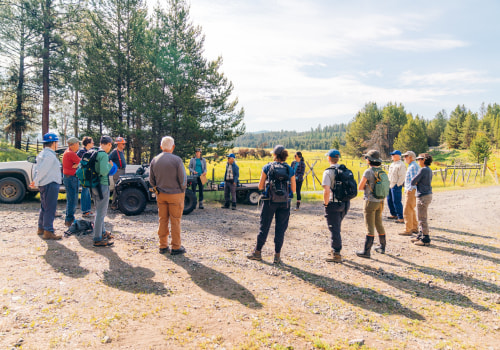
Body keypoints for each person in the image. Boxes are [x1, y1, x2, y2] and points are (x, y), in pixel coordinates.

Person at [247, 145, 296, 265]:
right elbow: (293, 189)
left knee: (264, 227)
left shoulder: (268, 167)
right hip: (284, 202)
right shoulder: (289, 169)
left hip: (269, 200)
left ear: (275, 155)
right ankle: (277, 257)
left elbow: (260, 186)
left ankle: (257, 252)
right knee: (280, 229)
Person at [150, 136, 187, 255]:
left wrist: (156, 188)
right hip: (176, 194)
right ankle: (176, 246)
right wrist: (182, 189)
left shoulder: (155, 160)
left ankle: (163, 245)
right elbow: (183, 179)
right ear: (173, 147)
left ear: (161, 147)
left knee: (162, 219)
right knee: (175, 221)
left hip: (161, 194)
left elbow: (151, 180)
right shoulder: (177, 160)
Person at [321, 149, 350, 263]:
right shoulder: (345, 170)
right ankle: (335, 250)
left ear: (329, 158)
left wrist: (326, 203)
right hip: (345, 203)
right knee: (337, 226)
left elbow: (326, 190)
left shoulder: (328, 172)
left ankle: (336, 253)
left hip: (333, 203)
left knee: (334, 228)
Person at [356, 150, 387, 258]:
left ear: (369, 160)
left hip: (370, 201)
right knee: (379, 223)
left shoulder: (368, 172)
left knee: (369, 226)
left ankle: (366, 251)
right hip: (381, 201)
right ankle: (382, 247)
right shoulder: (381, 171)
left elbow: (360, 187)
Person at [33, 133, 62, 240]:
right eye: (57, 142)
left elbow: (37, 169)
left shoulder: (43, 153)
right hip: (50, 182)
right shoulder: (50, 155)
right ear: (54, 143)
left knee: (44, 206)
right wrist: (36, 181)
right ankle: (48, 231)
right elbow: (43, 170)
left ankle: (41, 227)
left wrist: (36, 180)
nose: (58, 144)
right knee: (50, 207)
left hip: (45, 183)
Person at [92, 135, 115, 247]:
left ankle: (102, 232)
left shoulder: (95, 152)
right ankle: (97, 238)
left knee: (98, 210)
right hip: (102, 185)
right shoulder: (104, 155)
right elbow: (103, 171)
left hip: (94, 185)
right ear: (109, 144)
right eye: (111, 145)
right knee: (101, 213)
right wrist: (110, 166)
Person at [411, 153, 433, 246]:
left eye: (419, 159)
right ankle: (420, 235)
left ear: (424, 160)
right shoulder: (429, 170)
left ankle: (425, 239)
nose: (418, 161)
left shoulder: (423, 170)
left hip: (422, 196)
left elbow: (413, 181)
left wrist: (416, 182)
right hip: (427, 194)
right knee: (421, 216)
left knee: (422, 218)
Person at [62, 137, 82, 227]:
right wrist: (78, 164)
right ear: (74, 144)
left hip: (68, 177)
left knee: (71, 198)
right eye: (78, 144)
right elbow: (82, 162)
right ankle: (69, 219)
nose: (79, 146)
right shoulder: (71, 153)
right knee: (72, 199)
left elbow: (78, 163)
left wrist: (77, 164)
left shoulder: (67, 152)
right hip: (71, 178)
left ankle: (69, 218)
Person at [399, 151, 419, 236]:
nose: (404, 158)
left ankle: (408, 229)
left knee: (407, 210)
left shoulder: (413, 166)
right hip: (412, 190)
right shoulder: (412, 166)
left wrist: (410, 189)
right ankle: (414, 227)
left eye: (406, 156)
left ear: (411, 157)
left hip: (411, 191)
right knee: (411, 209)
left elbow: (415, 180)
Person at [76, 136, 95, 218]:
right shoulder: (81, 152)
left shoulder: (90, 151)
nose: (93, 143)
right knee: (85, 191)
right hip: (83, 175)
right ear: (88, 143)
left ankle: (88, 210)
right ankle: (84, 211)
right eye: (92, 142)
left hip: (88, 174)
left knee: (88, 192)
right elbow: (79, 162)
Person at [387, 150, 406, 223]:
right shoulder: (392, 164)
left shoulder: (401, 164)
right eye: (392, 155)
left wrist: (398, 184)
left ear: (398, 156)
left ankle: (400, 217)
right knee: (389, 200)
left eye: (394, 155)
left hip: (396, 184)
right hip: (390, 183)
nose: (392, 156)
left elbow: (402, 176)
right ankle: (394, 214)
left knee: (396, 201)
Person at [109, 136, 127, 210]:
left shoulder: (121, 151)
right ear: (118, 144)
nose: (124, 145)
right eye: (123, 144)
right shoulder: (114, 152)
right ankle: (113, 204)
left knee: (121, 188)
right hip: (118, 171)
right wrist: (113, 168)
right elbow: (108, 159)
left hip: (122, 170)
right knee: (117, 188)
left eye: (124, 144)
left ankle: (118, 204)